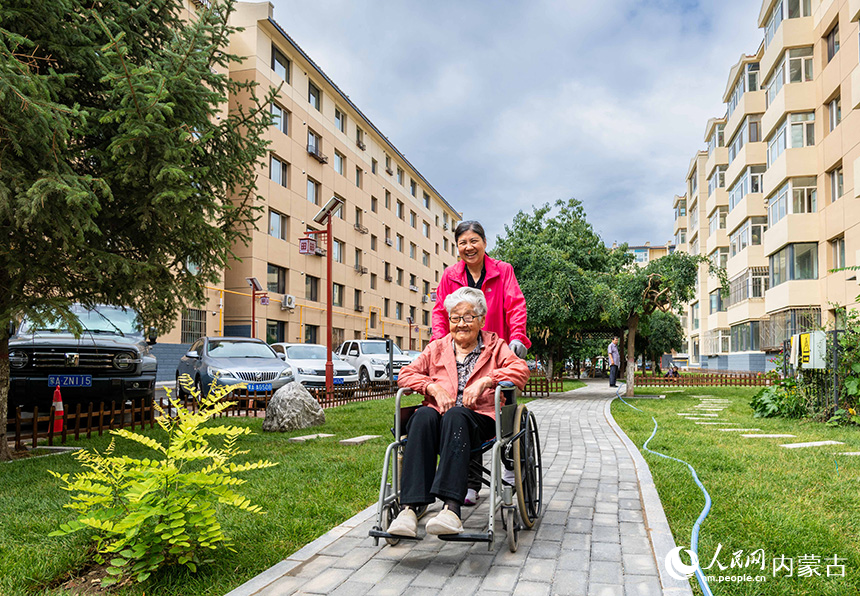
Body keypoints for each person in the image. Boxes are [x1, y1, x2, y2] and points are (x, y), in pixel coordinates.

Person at [386, 287, 530, 537]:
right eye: (455, 318)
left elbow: (521, 371)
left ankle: (452, 510)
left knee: (456, 415)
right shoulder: (437, 347)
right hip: (437, 419)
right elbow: (405, 374)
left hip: (480, 419)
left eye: (468, 317)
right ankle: (409, 509)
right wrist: (430, 386)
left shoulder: (496, 346)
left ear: (481, 319)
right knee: (422, 415)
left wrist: (487, 381)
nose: (461, 324)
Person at [432, 220, 530, 505]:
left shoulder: (503, 271)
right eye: (463, 242)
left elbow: (515, 306)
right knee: (463, 406)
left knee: (501, 406)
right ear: (458, 247)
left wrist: (518, 338)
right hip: (461, 348)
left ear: (484, 243)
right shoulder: (450, 275)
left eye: (473, 240)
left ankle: (511, 464)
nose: (468, 247)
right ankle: (470, 482)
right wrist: (443, 344)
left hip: (496, 350)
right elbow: (441, 312)